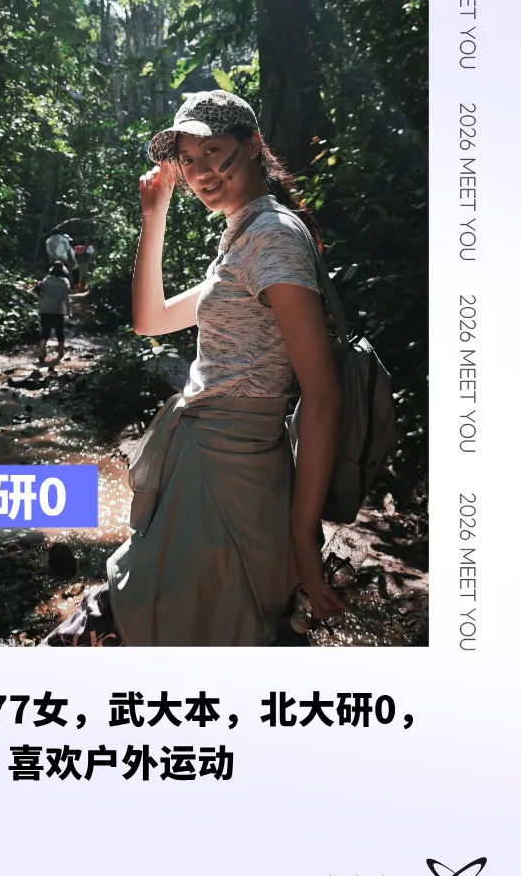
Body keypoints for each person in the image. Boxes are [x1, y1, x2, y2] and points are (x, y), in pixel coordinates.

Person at [44, 90, 344, 649]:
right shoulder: (244, 237)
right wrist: (153, 214)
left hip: (231, 472)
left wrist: (304, 539)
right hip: (207, 463)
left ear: (252, 145)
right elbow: (150, 319)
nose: (200, 171)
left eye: (213, 150)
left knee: (156, 617)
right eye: (187, 159)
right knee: (177, 621)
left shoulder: (272, 238)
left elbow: (323, 394)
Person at [34, 261, 71, 361]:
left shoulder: (46, 280)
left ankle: (41, 351)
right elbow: (66, 298)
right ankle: (61, 353)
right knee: (60, 332)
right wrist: (69, 309)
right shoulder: (64, 282)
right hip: (58, 310)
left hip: (45, 309)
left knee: (45, 332)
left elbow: (41, 292)